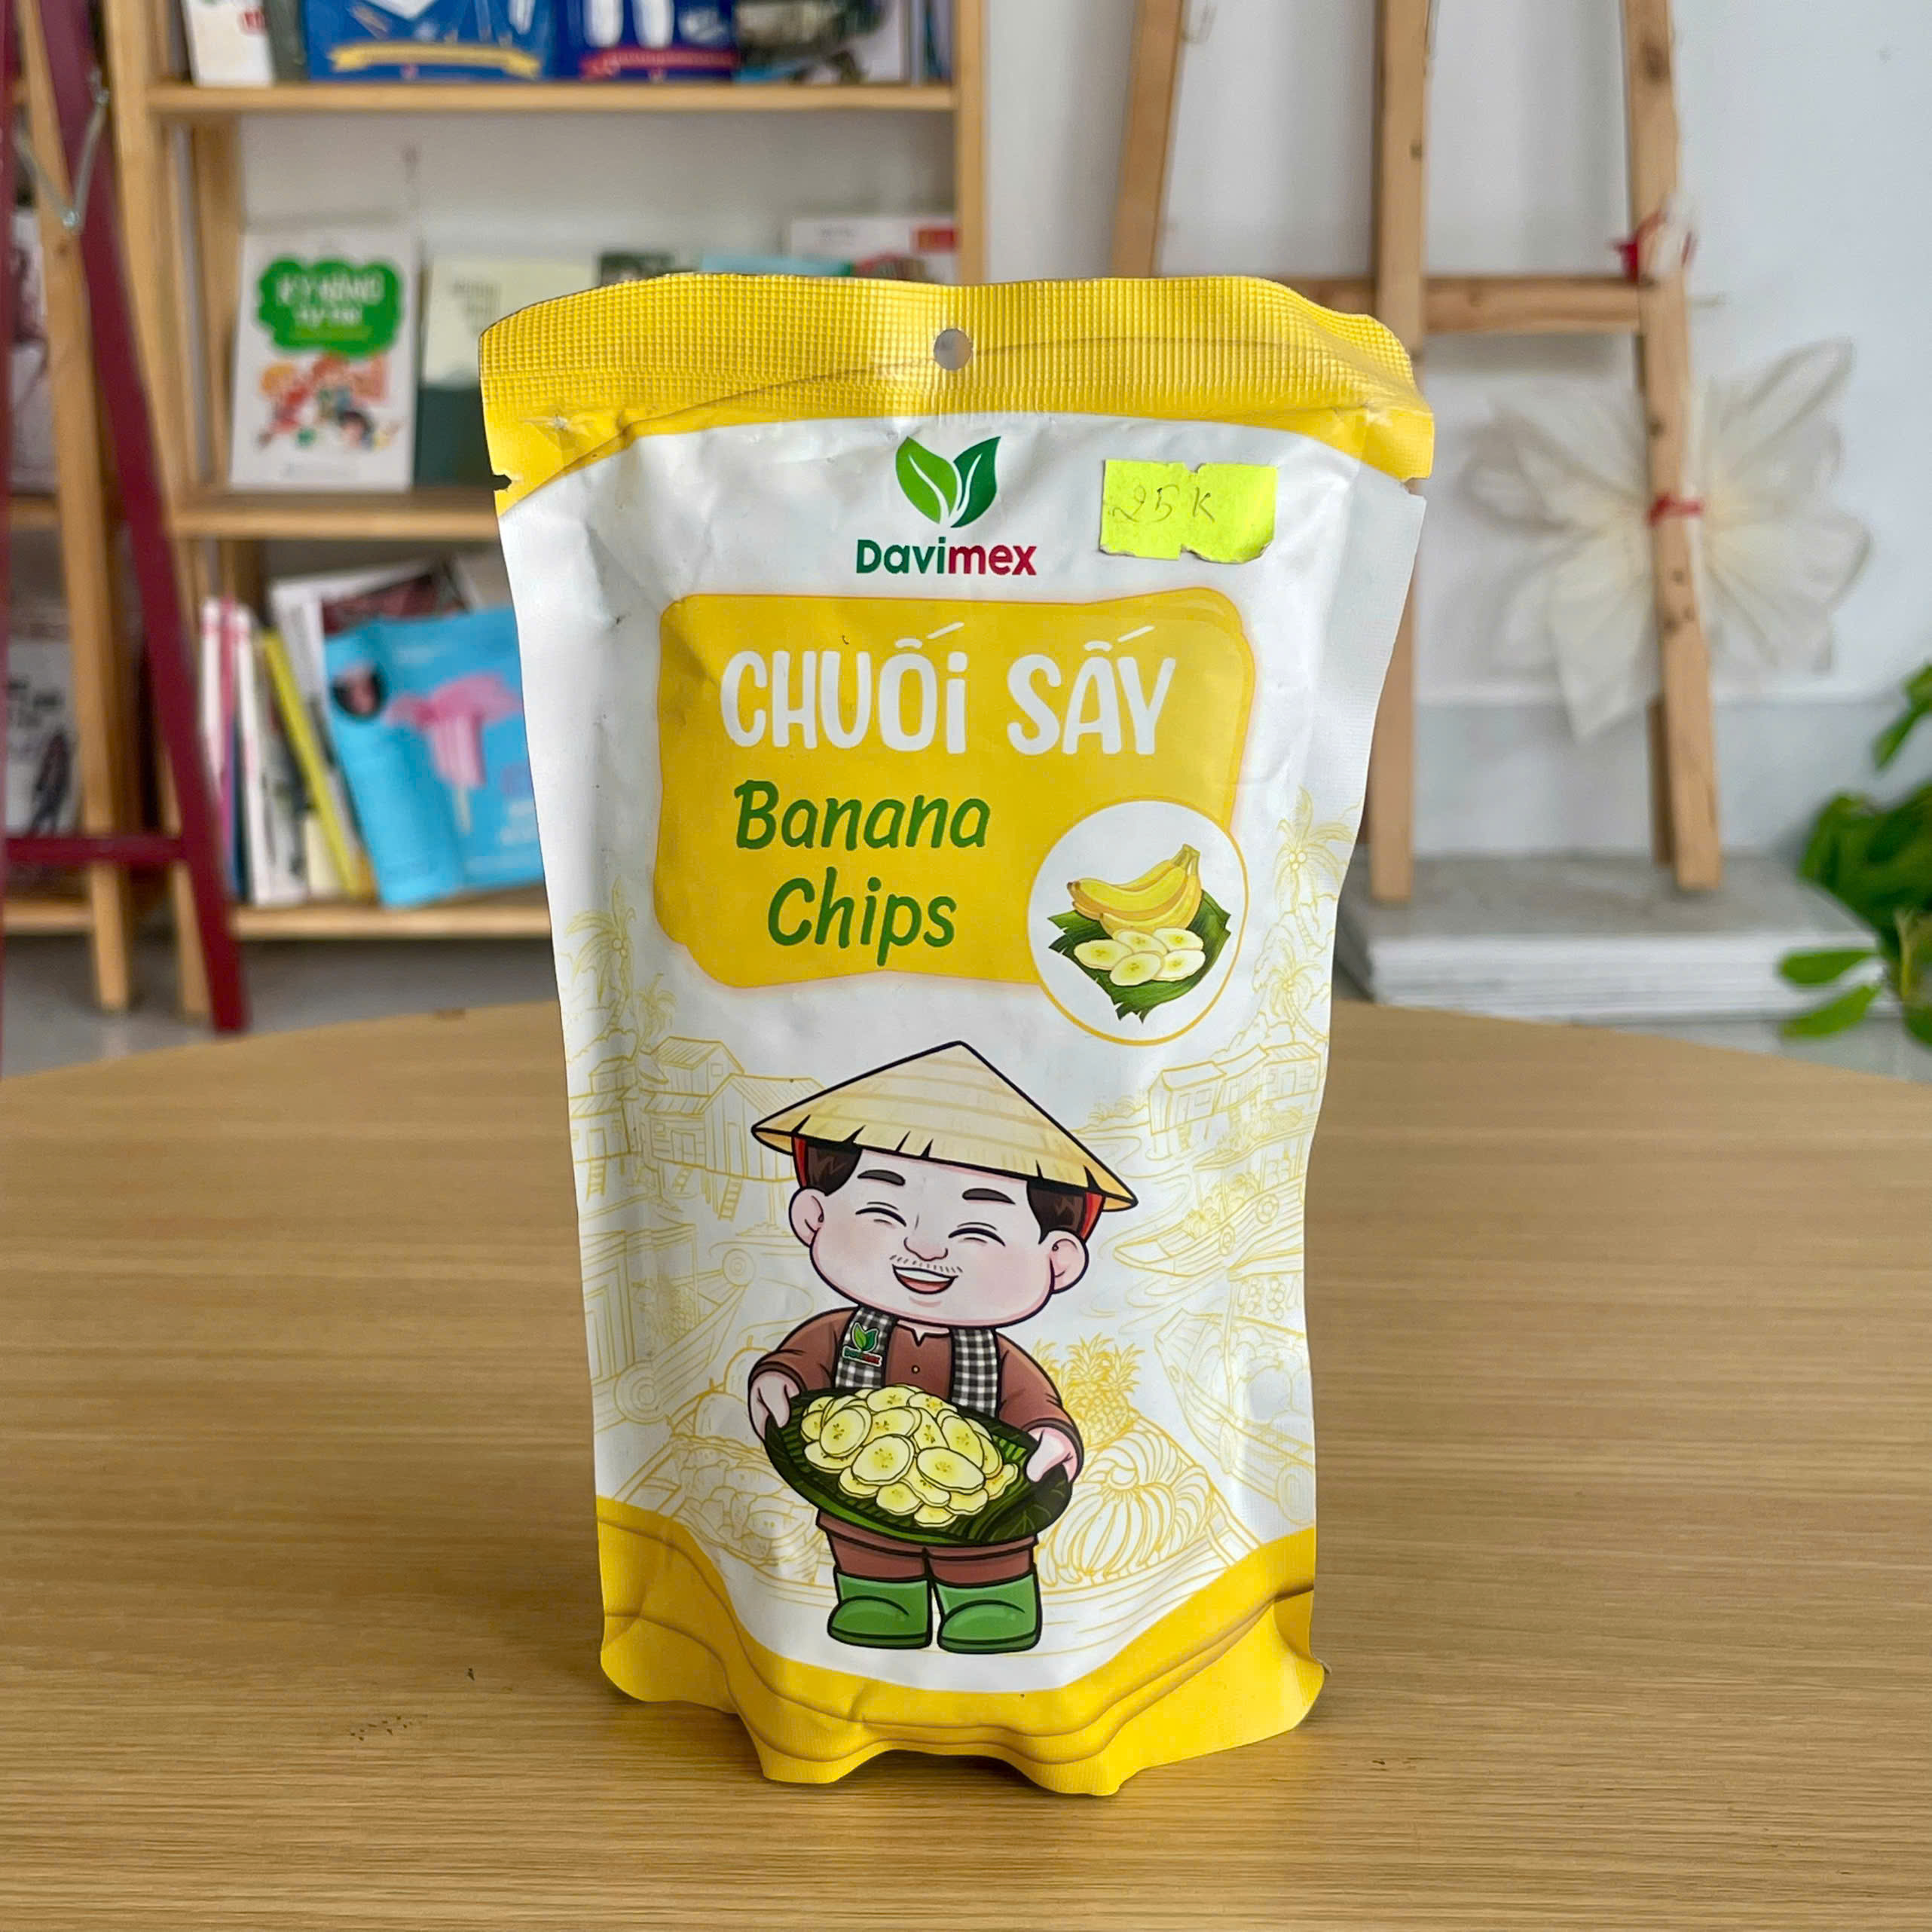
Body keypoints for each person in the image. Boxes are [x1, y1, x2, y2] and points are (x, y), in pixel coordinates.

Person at [747, 1041, 1136, 1655]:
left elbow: (1033, 1403)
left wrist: (1052, 1437)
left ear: (1057, 1259)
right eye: (884, 1212)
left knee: (988, 1566)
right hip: (856, 1503)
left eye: (977, 1230)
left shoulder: (998, 1359)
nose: (926, 1249)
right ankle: (880, 1603)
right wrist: (780, 1380)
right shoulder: (847, 1332)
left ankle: (994, 1606)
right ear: (814, 1216)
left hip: (985, 1518)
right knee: (870, 1558)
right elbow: (805, 1358)